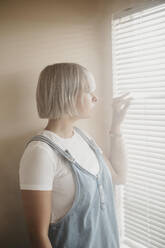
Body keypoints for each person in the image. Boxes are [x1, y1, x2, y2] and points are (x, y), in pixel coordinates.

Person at [19, 62, 133, 248]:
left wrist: (117, 126)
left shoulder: (83, 137)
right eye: (89, 91)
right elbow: (37, 236)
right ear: (68, 94)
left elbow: (119, 177)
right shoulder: (41, 152)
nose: (95, 98)